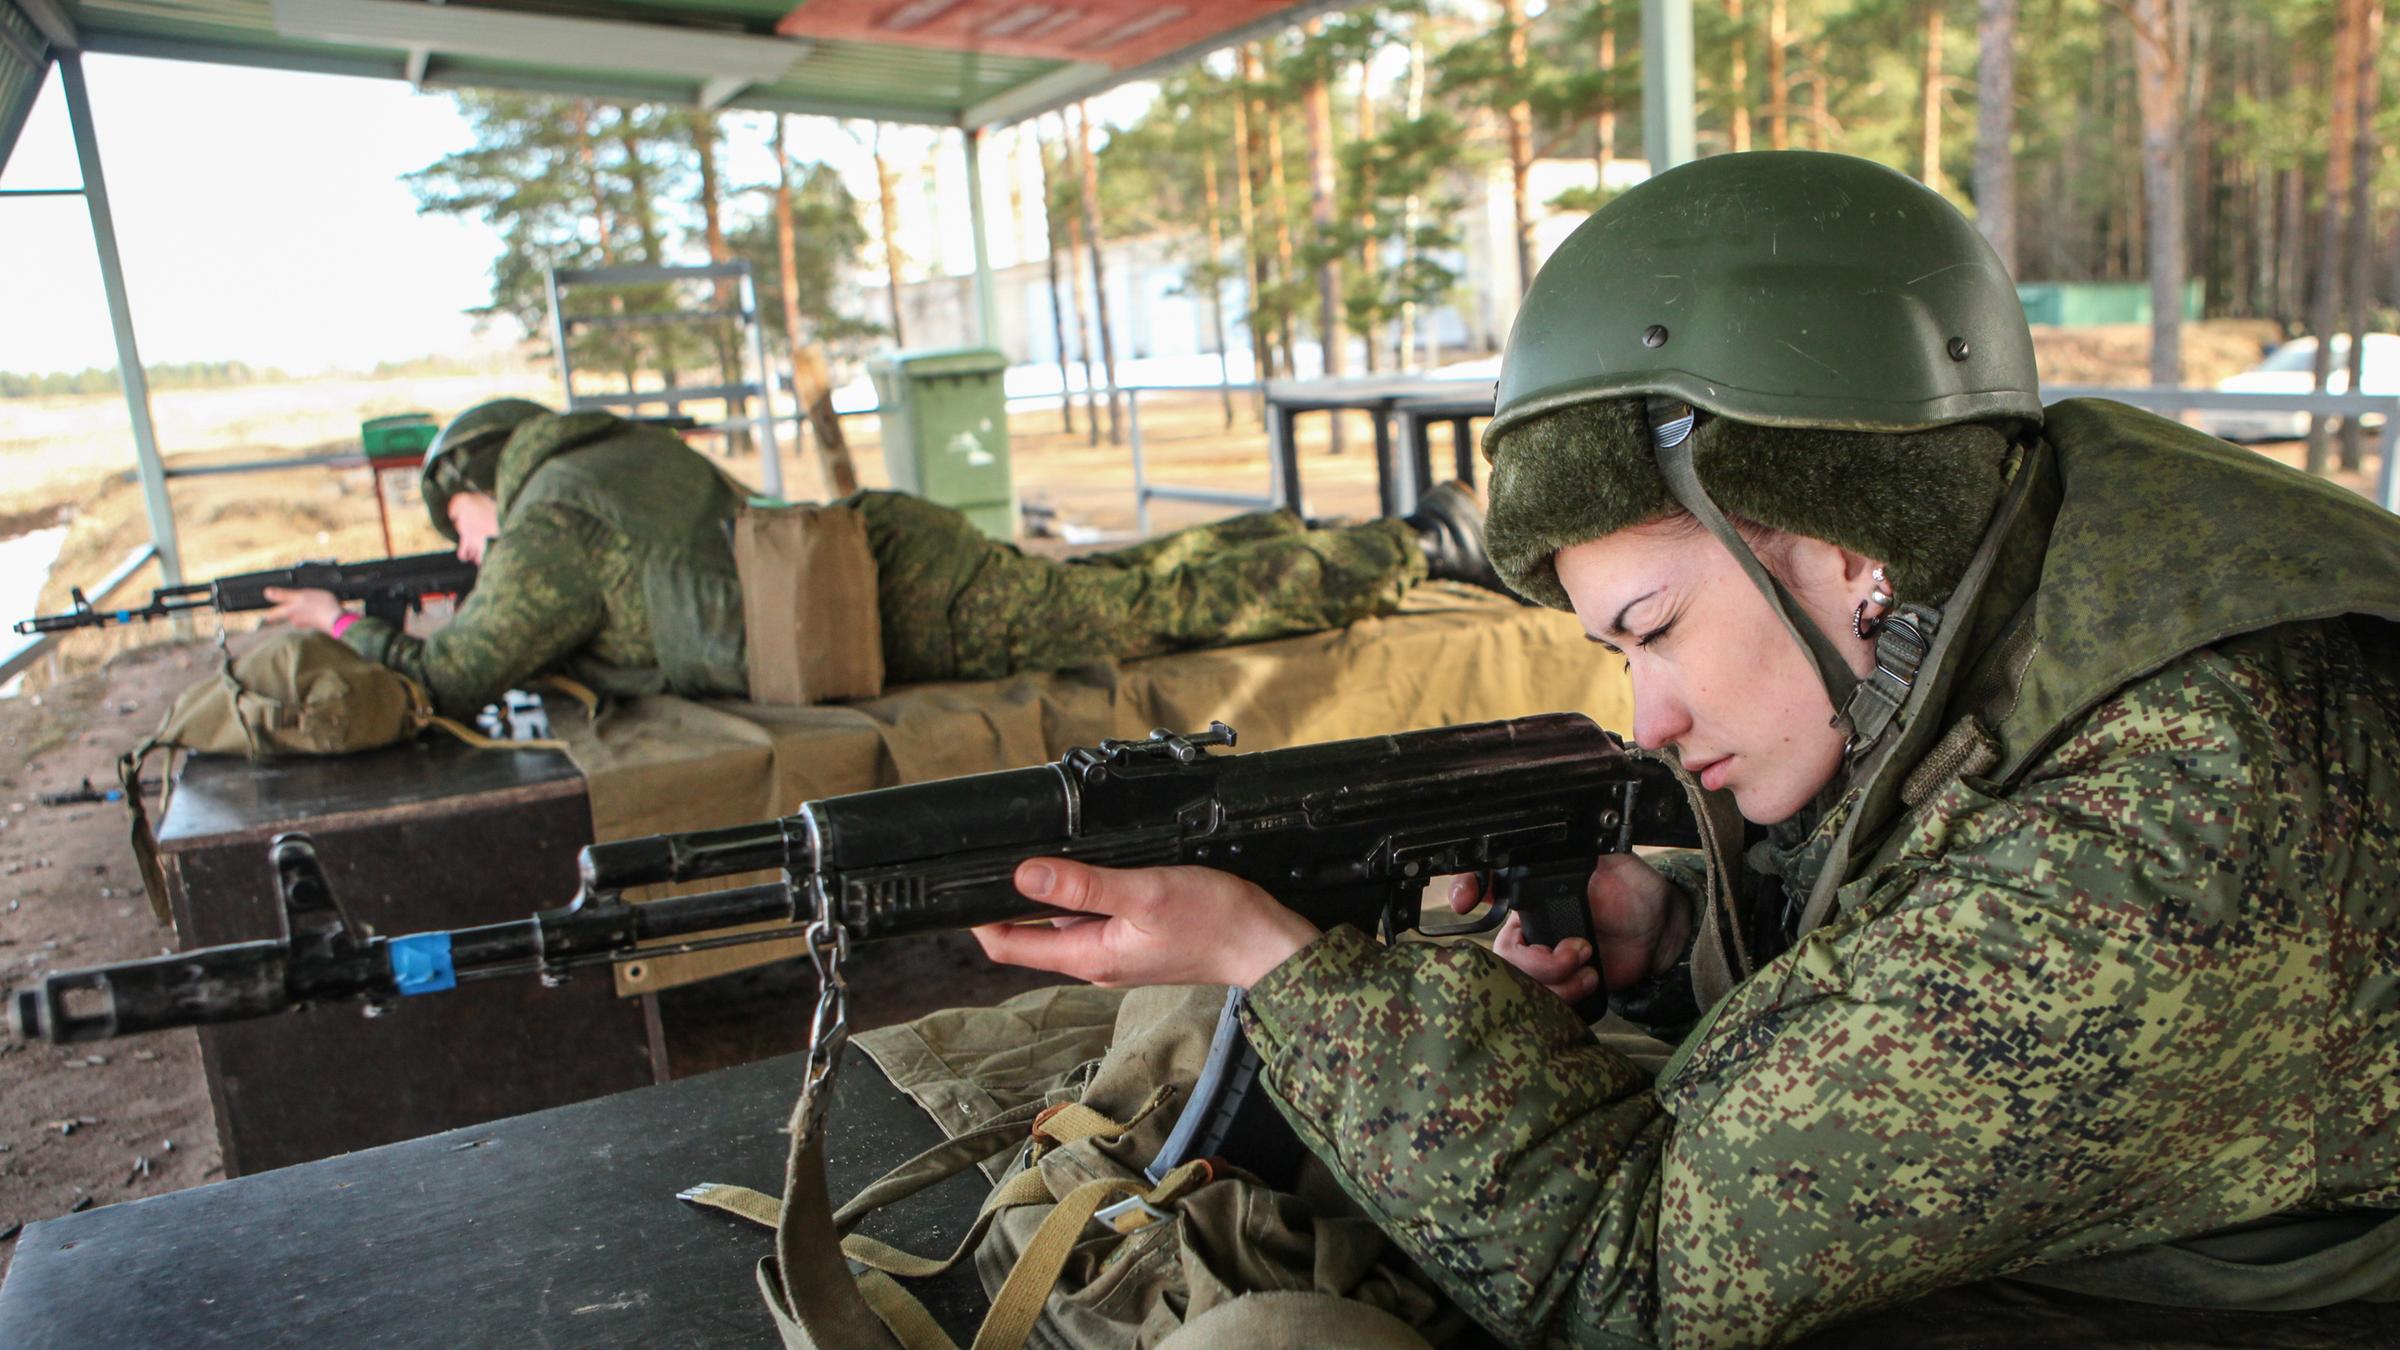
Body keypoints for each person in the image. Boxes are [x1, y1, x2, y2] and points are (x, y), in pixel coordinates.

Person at [969, 150, 2400, 1345]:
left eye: (1656, 623)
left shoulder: (2167, 812)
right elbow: (1925, 843)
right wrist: (1684, 907)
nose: (1646, 717)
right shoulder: (2028, 557)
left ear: (1846, 542)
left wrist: (1270, 963)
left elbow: (1625, 1278)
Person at [265, 399, 1504, 720]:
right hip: (882, 563)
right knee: (1126, 582)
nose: (468, 548)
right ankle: (1348, 537)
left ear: (478, 480)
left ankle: (1423, 544)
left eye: (461, 524)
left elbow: (458, 677)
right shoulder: (615, 458)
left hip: (901, 600)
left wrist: (342, 624)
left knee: (1151, 613)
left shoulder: (548, 521)